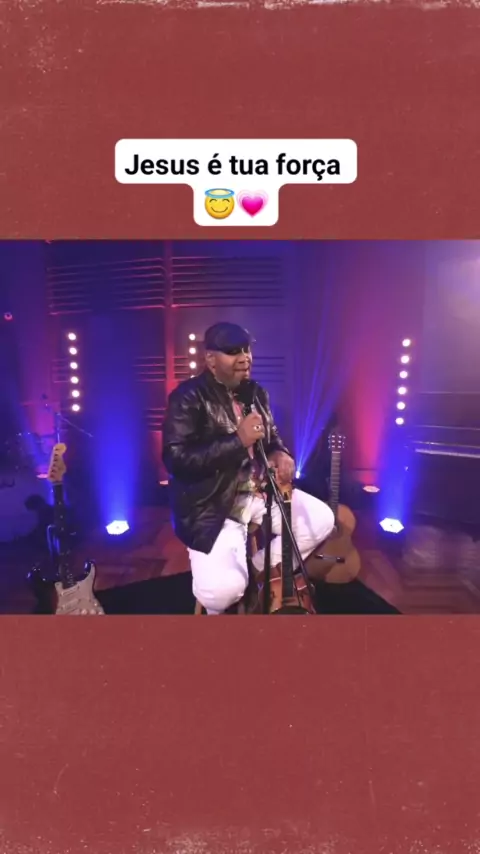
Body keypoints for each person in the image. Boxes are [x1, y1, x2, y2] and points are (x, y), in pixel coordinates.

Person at [162, 322, 335, 614]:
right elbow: (176, 460)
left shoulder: (256, 393)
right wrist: (237, 441)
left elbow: (272, 437)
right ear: (210, 359)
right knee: (221, 595)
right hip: (213, 504)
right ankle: (234, 576)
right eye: (233, 352)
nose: (245, 358)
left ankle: (257, 570)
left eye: (246, 350)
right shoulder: (188, 397)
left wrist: (280, 452)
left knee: (322, 521)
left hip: (259, 494)